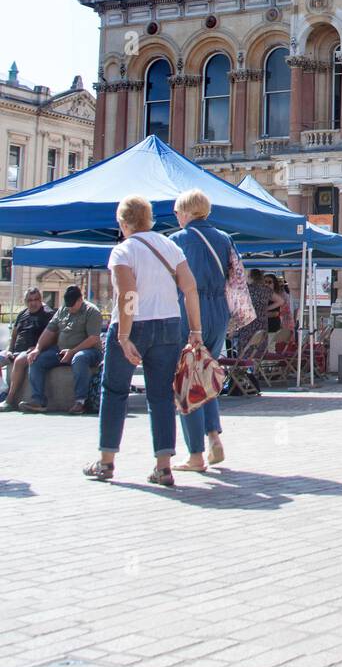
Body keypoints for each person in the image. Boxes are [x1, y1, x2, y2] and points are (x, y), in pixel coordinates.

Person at [83, 195, 202, 486]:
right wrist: (196, 330)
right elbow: (190, 287)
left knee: (114, 392)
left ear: (123, 223)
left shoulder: (123, 251)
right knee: (161, 395)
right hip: (168, 324)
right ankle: (163, 466)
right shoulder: (170, 246)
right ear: (149, 219)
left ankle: (107, 460)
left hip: (132, 325)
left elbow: (128, 295)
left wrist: (123, 336)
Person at [169, 189, 233, 473]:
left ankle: (195, 454)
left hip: (190, 308)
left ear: (186, 211)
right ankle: (214, 436)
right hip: (219, 310)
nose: (175, 216)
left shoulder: (177, 241)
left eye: (177, 211)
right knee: (206, 372)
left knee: (187, 378)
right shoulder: (225, 239)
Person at [19, 286, 103, 415]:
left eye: (72, 305)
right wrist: (37, 348)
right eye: (67, 305)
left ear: (80, 299)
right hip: (62, 350)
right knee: (37, 360)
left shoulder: (92, 311)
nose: (69, 308)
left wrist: (73, 351)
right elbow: (50, 330)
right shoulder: (63, 309)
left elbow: (93, 339)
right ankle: (38, 401)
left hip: (88, 351)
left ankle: (80, 402)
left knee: (79, 358)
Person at [0, 288, 55, 410]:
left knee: (19, 360)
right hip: (15, 351)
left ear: (41, 300)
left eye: (36, 299)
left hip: (33, 352)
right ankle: (1, 394)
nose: (33, 303)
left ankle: (9, 400)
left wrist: (37, 348)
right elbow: (13, 337)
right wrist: (9, 350)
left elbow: (52, 337)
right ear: (26, 301)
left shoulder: (48, 314)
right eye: (30, 300)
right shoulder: (22, 314)